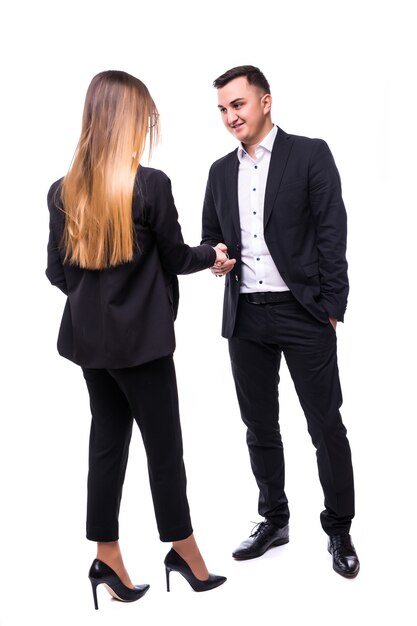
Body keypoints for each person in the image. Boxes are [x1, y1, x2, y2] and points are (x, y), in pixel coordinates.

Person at [46, 70, 227, 609]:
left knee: (106, 446)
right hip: (142, 348)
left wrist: (95, 299)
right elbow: (176, 256)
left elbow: (57, 273)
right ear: (126, 120)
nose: (149, 125)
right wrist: (213, 257)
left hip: (89, 346)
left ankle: (107, 556)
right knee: (164, 450)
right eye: (145, 116)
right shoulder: (149, 185)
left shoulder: (63, 191)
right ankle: (184, 550)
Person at [201, 65, 359, 578]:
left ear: (265, 102)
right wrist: (217, 256)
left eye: (239, 104)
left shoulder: (310, 153)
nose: (231, 116)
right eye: (223, 108)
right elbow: (211, 237)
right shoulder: (219, 172)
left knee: (325, 425)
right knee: (259, 427)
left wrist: (333, 306)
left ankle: (338, 528)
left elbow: (332, 232)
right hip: (245, 315)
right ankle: (275, 518)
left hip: (304, 312)